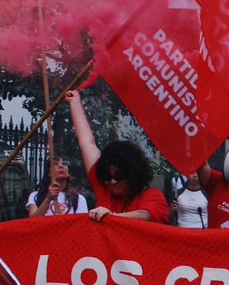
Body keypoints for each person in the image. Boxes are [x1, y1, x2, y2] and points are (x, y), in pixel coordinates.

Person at [65, 90, 168, 223]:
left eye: (119, 176)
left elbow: (146, 215)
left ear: (133, 174)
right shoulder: (104, 188)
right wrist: (75, 102)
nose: (112, 181)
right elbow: (86, 142)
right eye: (107, 177)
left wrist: (111, 218)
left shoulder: (151, 195)